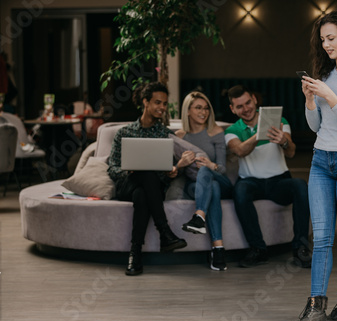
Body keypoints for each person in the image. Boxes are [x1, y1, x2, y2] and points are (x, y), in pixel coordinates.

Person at [291, 10, 337, 321]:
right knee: (321, 237)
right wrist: (310, 100)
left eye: (331, 38)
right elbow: (315, 125)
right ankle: (316, 306)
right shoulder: (324, 75)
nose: (326, 45)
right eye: (322, 40)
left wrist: (330, 96)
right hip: (321, 160)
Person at [107, 82, 189, 276]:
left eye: (165, 103)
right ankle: (165, 232)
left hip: (149, 190)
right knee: (144, 173)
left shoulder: (165, 134)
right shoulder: (124, 133)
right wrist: (129, 173)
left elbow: (166, 169)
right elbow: (112, 167)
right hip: (127, 185)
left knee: (143, 192)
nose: (162, 107)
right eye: (157, 102)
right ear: (145, 102)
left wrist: (171, 172)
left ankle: (135, 255)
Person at [225, 85, 311, 268]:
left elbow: (291, 152)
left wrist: (284, 141)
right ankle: (258, 250)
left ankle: (301, 248)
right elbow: (240, 151)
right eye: (239, 106)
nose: (246, 108)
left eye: (248, 102)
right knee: (240, 190)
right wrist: (260, 133)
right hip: (250, 182)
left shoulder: (279, 120)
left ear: (254, 100)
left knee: (300, 185)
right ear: (232, 109)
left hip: (278, 181)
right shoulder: (232, 130)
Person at [175, 91, 233, 271]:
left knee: (212, 178)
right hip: (195, 186)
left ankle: (199, 217)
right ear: (188, 111)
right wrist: (182, 163)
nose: (204, 112)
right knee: (211, 187)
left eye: (206, 108)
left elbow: (223, 168)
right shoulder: (180, 136)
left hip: (220, 179)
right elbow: (175, 172)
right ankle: (218, 249)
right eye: (198, 108)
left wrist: (210, 165)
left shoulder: (215, 132)